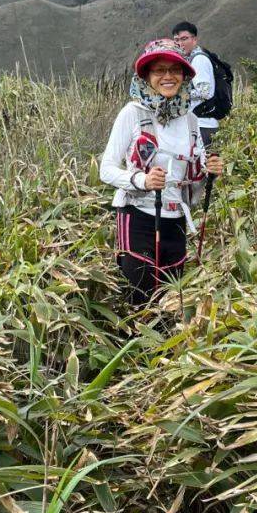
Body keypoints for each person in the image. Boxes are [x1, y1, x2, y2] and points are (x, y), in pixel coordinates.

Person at [99, 39, 223, 305]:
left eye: (174, 70)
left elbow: (194, 177)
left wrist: (207, 169)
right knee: (139, 296)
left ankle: (167, 346)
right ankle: (135, 344)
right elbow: (106, 169)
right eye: (159, 71)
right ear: (146, 76)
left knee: (171, 297)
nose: (167, 77)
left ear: (185, 75)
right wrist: (141, 180)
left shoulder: (190, 119)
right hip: (138, 216)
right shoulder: (132, 113)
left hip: (176, 217)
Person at [171, 21, 219, 152]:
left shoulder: (199, 60)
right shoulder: (190, 60)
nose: (180, 43)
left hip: (203, 125)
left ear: (194, 39)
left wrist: (177, 93)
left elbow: (205, 92)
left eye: (184, 39)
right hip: (197, 125)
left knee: (205, 170)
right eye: (176, 40)